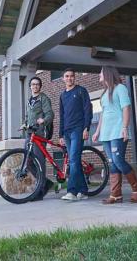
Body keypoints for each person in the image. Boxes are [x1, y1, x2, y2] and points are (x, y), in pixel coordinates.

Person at [92, 66, 137, 204]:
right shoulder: (104, 94)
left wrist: (125, 128)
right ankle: (116, 194)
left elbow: (126, 108)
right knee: (112, 163)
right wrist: (97, 131)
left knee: (118, 160)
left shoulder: (120, 88)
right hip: (106, 133)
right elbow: (103, 114)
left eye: (101, 73)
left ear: (108, 74)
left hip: (118, 131)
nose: (99, 75)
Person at [59, 69, 92, 201]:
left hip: (78, 130)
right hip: (66, 132)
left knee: (73, 160)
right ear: (63, 79)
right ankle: (83, 191)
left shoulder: (81, 91)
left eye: (72, 76)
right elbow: (61, 115)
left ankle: (71, 191)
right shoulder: (62, 95)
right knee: (75, 161)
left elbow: (88, 110)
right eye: (67, 76)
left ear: (74, 78)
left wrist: (86, 128)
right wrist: (60, 134)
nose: (69, 78)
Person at [25, 76, 55, 201]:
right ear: (30, 86)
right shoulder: (30, 100)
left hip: (40, 133)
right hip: (30, 134)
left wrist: (44, 120)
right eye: (33, 84)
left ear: (40, 86)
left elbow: (50, 114)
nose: (35, 86)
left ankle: (40, 190)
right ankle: (45, 182)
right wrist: (25, 123)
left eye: (37, 84)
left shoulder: (44, 98)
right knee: (28, 162)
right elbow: (28, 116)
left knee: (39, 162)